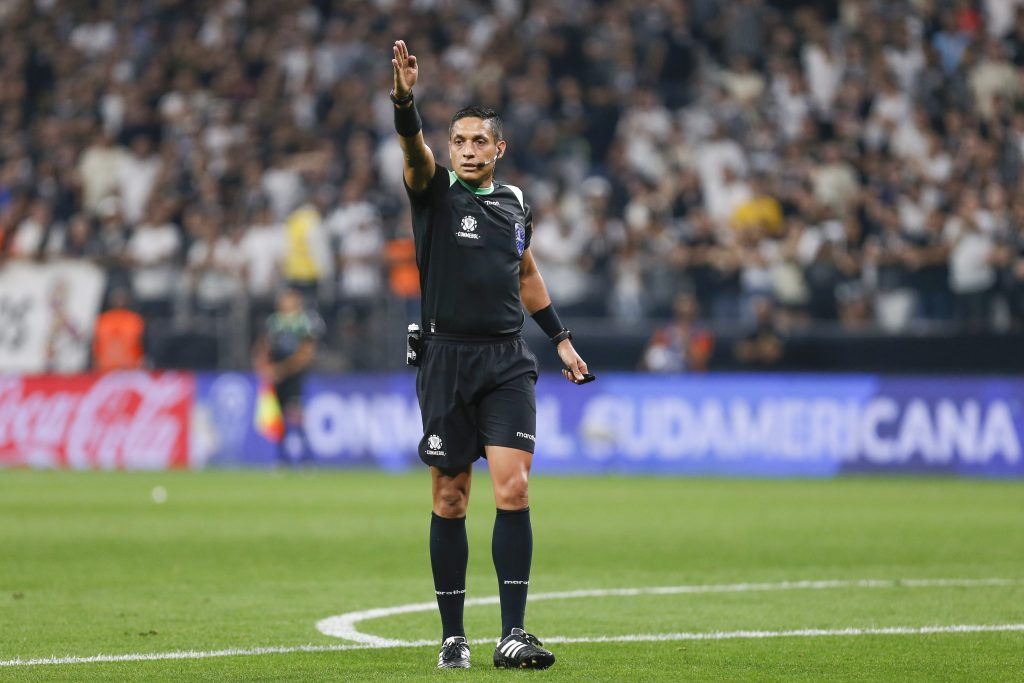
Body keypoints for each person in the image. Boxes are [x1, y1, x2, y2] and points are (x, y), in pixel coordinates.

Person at [390, 39, 591, 670]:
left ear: (499, 149)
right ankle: (454, 635)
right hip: (446, 359)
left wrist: (559, 337)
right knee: (451, 498)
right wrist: (404, 100)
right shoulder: (432, 189)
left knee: (516, 488)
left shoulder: (516, 204)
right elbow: (412, 149)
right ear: (449, 148)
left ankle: (512, 632)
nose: (469, 151)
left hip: (507, 360)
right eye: (461, 141)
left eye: (480, 142)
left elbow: (526, 274)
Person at [253, 287, 323, 464]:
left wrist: (282, 370)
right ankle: (281, 457)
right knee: (278, 415)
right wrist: (264, 367)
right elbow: (264, 347)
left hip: (294, 374)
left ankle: (306, 456)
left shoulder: (304, 321)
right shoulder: (274, 322)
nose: (285, 302)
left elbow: (306, 353)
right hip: (277, 374)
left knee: (295, 413)